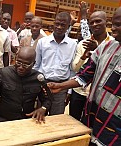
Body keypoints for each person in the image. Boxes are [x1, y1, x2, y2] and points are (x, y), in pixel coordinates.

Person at [47, 7, 121, 146]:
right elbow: (85, 74)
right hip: (95, 118)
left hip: (116, 128)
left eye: (118, 24)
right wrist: (61, 86)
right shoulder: (105, 48)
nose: (114, 28)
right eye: (113, 24)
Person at [0, 47, 51, 123]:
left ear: (33, 64)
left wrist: (43, 108)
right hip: (3, 119)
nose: (21, 67)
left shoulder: (38, 78)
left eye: (25, 65)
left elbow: (48, 99)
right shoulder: (3, 73)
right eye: (18, 62)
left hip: (27, 120)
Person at [70, 11, 114, 121]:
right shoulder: (83, 44)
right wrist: (84, 56)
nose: (94, 24)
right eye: (92, 22)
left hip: (98, 95)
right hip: (79, 91)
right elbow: (75, 68)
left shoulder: (114, 45)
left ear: (106, 22)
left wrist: (97, 50)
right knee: (73, 123)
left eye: (98, 21)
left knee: (91, 125)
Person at [33, 12, 77, 115]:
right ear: (53, 23)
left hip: (61, 87)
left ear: (68, 26)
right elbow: (36, 65)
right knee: (40, 116)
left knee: (56, 118)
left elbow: (72, 70)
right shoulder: (42, 42)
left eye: (63, 25)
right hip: (44, 85)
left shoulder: (73, 45)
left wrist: (69, 91)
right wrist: (36, 85)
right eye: (57, 24)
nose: (59, 27)